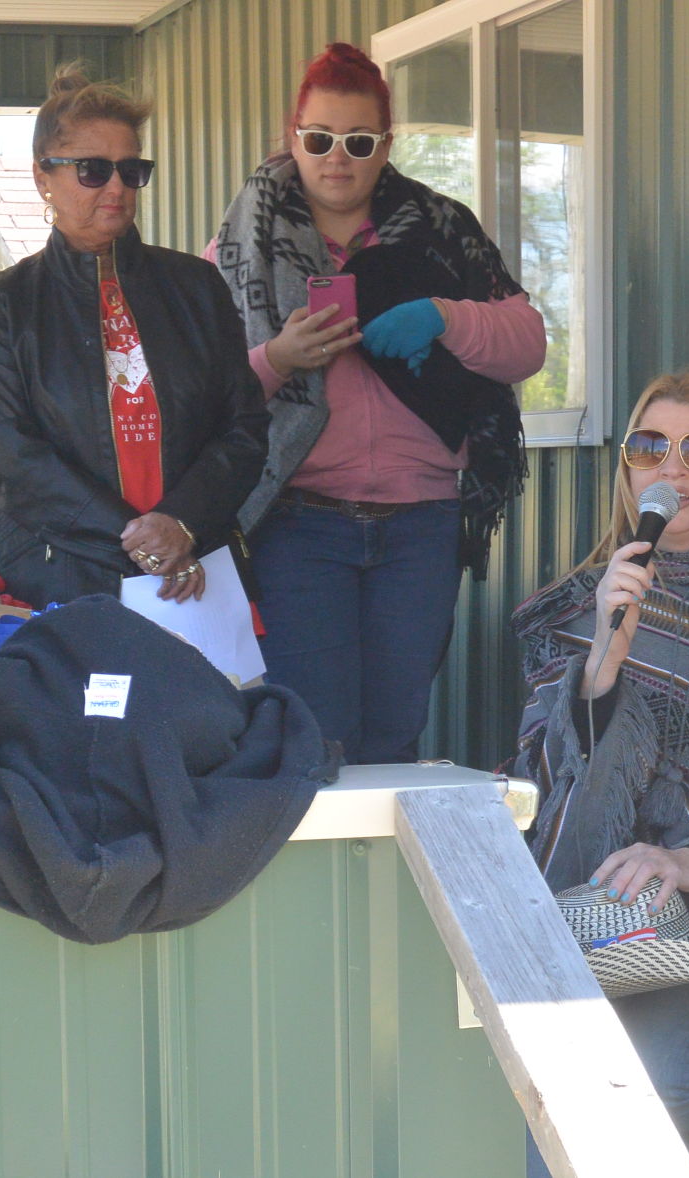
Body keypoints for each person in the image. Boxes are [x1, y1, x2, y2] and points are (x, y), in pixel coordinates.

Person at [213, 42, 544, 765]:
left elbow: (527, 342)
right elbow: (204, 393)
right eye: (319, 139)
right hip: (297, 522)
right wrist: (278, 358)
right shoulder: (242, 241)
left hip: (421, 522)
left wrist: (443, 315)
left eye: (359, 141)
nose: (338, 158)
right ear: (292, 137)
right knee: (315, 738)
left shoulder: (442, 228)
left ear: (387, 145)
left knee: (396, 733)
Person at [507, 372, 689, 1166]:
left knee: (663, 1083)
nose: (671, 467)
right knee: (559, 1088)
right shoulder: (575, 610)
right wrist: (604, 661)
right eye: (649, 447)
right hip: (608, 914)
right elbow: (540, 791)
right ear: (628, 472)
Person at [0, 66, 268, 609]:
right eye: (93, 170)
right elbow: (6, 449)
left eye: (131, 170)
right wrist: (142, 540)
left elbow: (244, 427)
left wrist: (183, 523)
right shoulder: (3, 305)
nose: (116, 187)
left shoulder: (197, 286)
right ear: (42, 177)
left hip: (195, 571)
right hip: (62, 573)